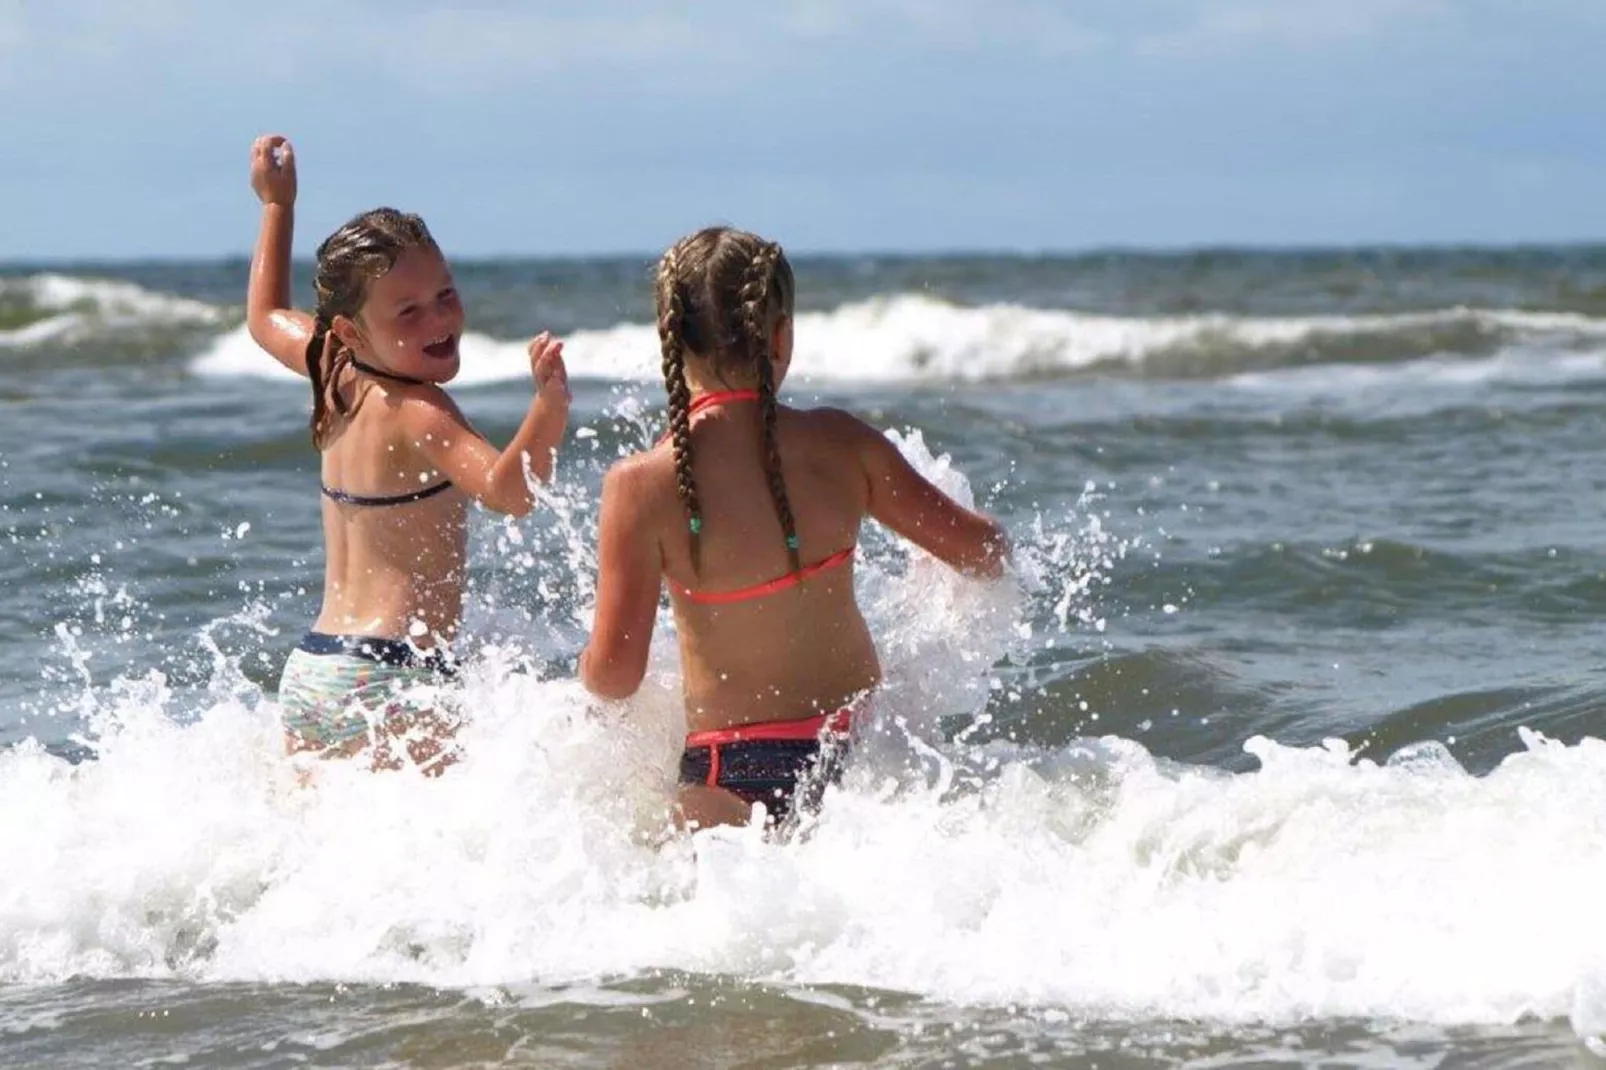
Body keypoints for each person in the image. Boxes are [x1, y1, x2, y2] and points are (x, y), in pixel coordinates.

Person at [579, 226, 1008, 828]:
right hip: (861, 758)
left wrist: (582, 669)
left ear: (669, 339)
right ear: (780, 335)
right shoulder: (842, 445)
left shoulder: (640, 486)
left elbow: (616, 677)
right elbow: (983, 552)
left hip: (724, 773)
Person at [245, 133, 571, 772]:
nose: (438, 321)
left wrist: (276, 205)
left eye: (445, 296)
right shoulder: (422, 412)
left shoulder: (331, 370)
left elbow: (264, 317)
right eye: (408, 311)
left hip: (314, 672)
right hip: (393, 677)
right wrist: (548, 410)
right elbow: (512, 493)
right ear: (350, 329)